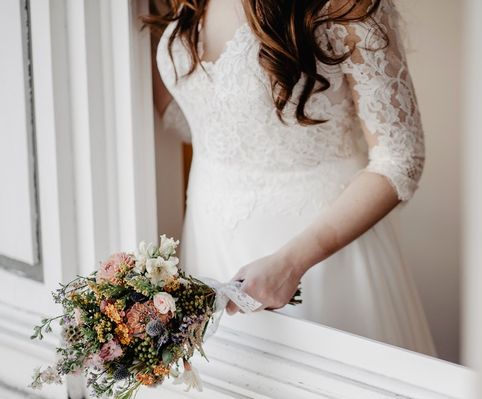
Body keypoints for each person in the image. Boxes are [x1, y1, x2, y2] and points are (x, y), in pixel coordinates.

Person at [147, 0, 436, 356]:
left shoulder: (342, 6)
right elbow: (192, 119)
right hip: (209, 239)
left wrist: (292, 263)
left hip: (317, 254)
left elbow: (401, 158)